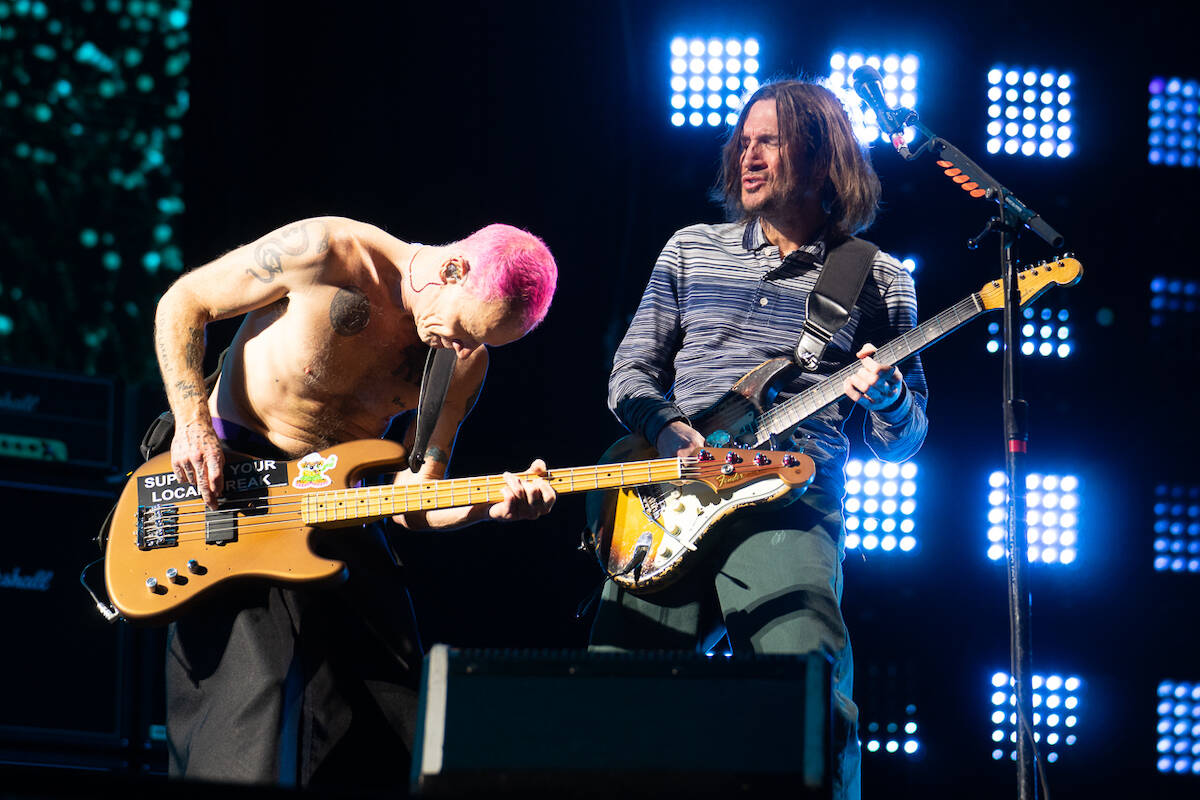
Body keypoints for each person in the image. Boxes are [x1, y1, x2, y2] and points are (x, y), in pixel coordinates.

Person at [590, 80, 929, 799]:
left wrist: (891, 398)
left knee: (805, 686)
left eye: (767, 141)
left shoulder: (880, 278)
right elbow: (630, 371)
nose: (747, 155)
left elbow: (906, 440)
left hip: (789, 503)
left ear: (820, 154)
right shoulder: (691, 250)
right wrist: (665, 425)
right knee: (614, 697)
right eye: (743, 142)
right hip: (667, 499)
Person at [153, 216, 558, 790]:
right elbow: (184, 300)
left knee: (395, 713)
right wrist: (191, 425)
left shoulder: (461, 363)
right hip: (239, 491)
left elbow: (410, 501)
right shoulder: (329, 253)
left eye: (485, 343)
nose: (466, 348)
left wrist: (487, 506)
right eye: (468, 328)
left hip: (336, 507)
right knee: (251, 707)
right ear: (452, 269)